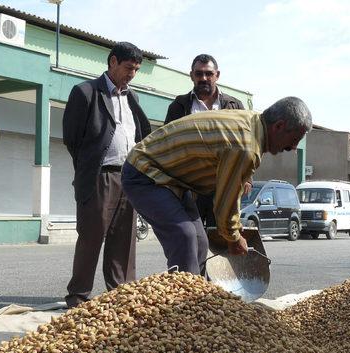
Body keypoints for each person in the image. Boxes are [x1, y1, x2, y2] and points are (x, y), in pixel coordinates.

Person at [122, 96, 312, 274]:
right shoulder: (245, 146)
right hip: (145, 172)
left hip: (173, 179)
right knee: (184, 236)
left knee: (199, 241)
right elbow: (225, 203)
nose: (293, 148)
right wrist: (233, 237)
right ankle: (184, 303)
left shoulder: (253, 121)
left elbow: (231, 190)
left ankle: (198, 297)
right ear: (278, 126)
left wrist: (232, 232)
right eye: (294, 140)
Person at [63, 42, 151, 308]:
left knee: (125, 240)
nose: (132, 74)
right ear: (112, 62)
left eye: (136, 69)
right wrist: (90, 167)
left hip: (129, 178)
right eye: (128, 68)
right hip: (100, 177)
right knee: (91, 236)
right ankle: (78, 296)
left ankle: (121, 294)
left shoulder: (132, 97)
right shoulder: (86, 92)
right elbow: (72, 139)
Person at [164, 54, 245, 228]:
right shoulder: (179, 106)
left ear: (217, 75)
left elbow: (246, 144)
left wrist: (248, 178)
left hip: (224, 186)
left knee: (223, 236)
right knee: (190, 239)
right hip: (190, 188)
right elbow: (167, 146)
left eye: (208, 73)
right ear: (191, 75)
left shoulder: (234, 106)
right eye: (199, 74)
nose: (204, 78)